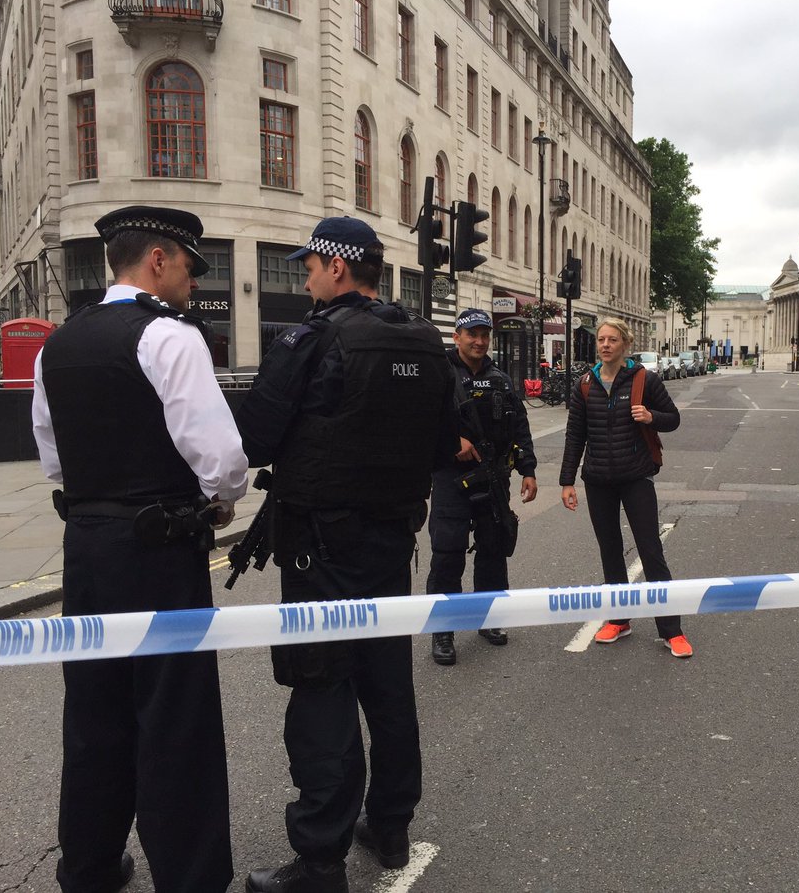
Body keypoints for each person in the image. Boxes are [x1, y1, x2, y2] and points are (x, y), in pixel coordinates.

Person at [31, 206, 248, 893]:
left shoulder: (58, 345)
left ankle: (89, 866)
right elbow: (221, 459)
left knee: (93, 712)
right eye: (187, 267)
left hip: (87, 548)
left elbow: (53, 457)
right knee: (173, 716)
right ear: (157, 260)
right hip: (159, 550)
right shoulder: (170, 337)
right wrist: (221, 498)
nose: (191, 283)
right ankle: (189, 877)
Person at [236, 217, 457, 893]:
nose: (304, 276)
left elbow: (255, 437)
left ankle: (320, 859)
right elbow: (445, 443)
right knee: (387, 684)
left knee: (323, 686)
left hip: (321, 550)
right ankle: (390, 826)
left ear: (338, 267)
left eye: (310, 265)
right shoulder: (423, 341)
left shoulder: (312, 338)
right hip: (392, 541)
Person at [558, 317, 692, 658]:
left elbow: (673, 418)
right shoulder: (585, 384)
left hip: (635, 477)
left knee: (650, 550)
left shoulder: (644, 380)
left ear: (624, 345)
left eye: (612, 340)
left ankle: (671, 629)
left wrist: (651, 417)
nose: (605, 345)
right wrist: (566, 481)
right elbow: (575, 435)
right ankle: (619, 619)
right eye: (601, 339)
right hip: (598, 479)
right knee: (610, 550)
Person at [428, 308, 538, 666]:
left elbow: (519, 428)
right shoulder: (439, 376)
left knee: (493, 551)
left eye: (484, 335)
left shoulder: (501, 381)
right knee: (448, 553)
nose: (478, 341)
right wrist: (451, 440)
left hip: (493, 477)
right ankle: (443, 630)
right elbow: (418, 421)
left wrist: (528, 470)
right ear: (456, 337)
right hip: (451, 479)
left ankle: (489, 618)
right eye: (471, 334)